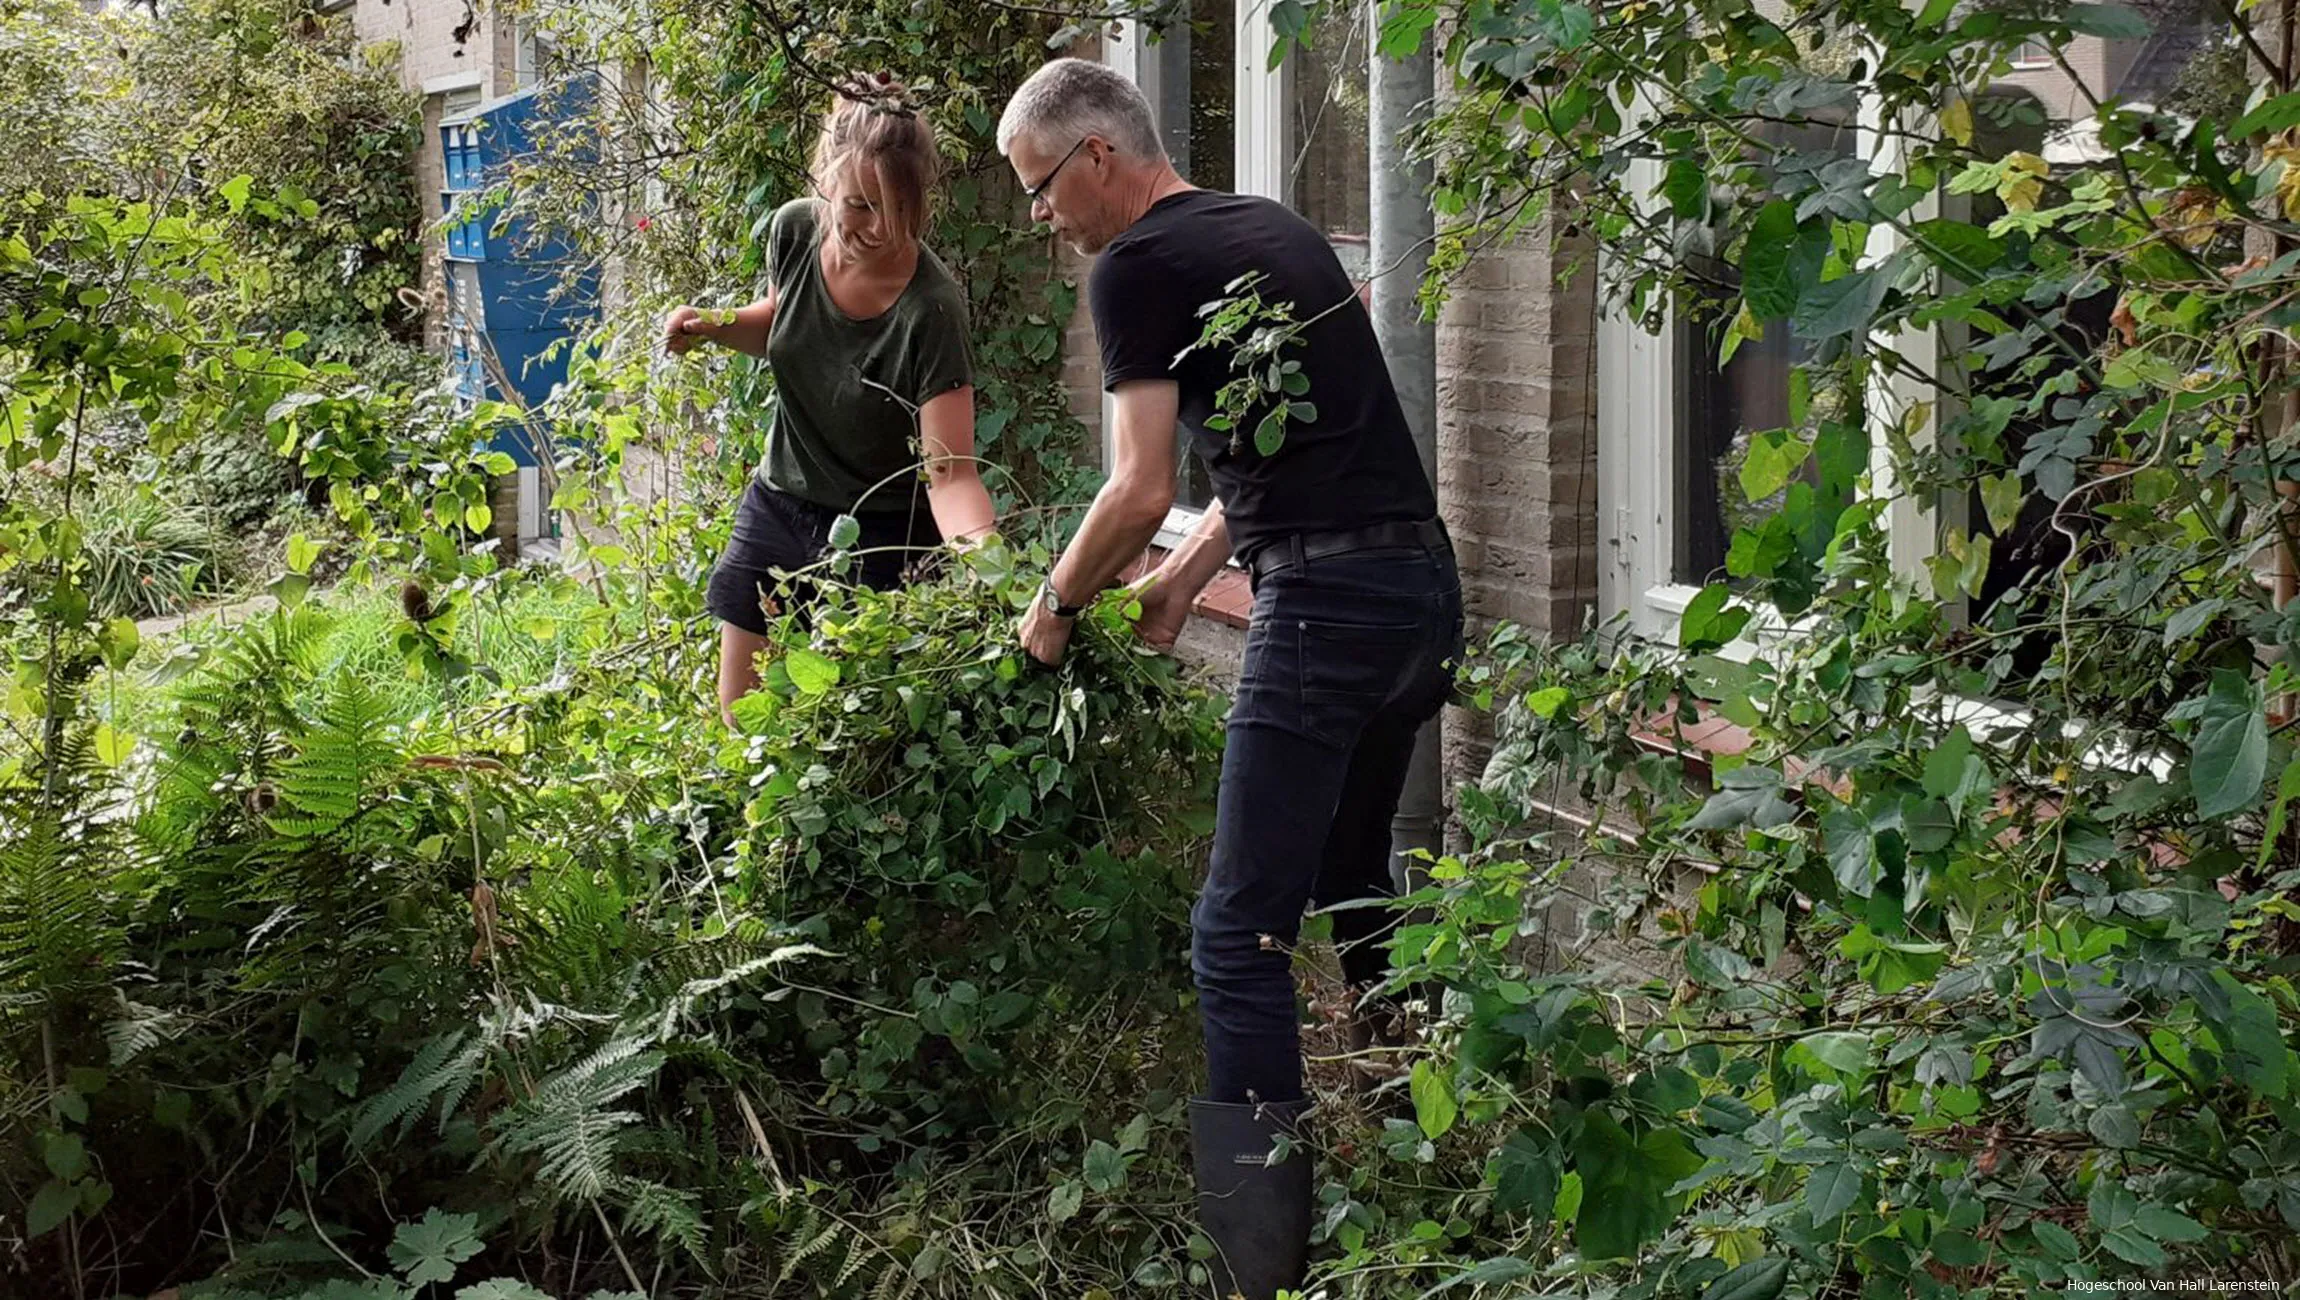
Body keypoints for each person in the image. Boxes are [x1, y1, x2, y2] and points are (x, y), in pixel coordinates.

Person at [997, 57, 1462, 1299]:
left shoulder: (1137, 265)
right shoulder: (1270, 228)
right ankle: (1437, 1135)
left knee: (1235, 932)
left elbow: (1137, 486)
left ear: (1099, 156)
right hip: (1419, 594)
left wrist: (1050, 613)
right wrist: (1179, 579)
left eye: (1041, 187)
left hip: (1323, 612)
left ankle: (1254, 1273)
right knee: (1355, 876)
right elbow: (1278, 461)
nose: (1041, 217)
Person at [666, 77, 998, 726]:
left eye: (896, 210)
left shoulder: (932, 310)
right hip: (781, 503)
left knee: (869, 726)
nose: (876, 229)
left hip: (886, 536)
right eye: (858, 205)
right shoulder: (793, 233)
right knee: (742, 713)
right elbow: (784, 327)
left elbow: (951, 473)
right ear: (825, 180)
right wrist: (715, 325)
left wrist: (997, 571)